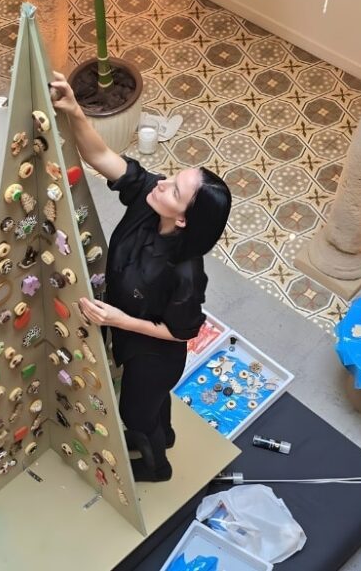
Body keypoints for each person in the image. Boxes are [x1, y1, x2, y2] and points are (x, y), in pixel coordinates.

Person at [50, 72, 232, 482]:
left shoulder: (185, 271)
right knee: (151, 407)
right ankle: (162, 435)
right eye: (172, 177)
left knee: (136, 412)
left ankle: (156, 467)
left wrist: (116, 320)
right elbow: (102, 158)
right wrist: (74, 111)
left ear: (183, 219)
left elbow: (181, 332)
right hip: (130, 337)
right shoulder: (152, 199)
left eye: (175, 190)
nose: (162, 183)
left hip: (154, 354)